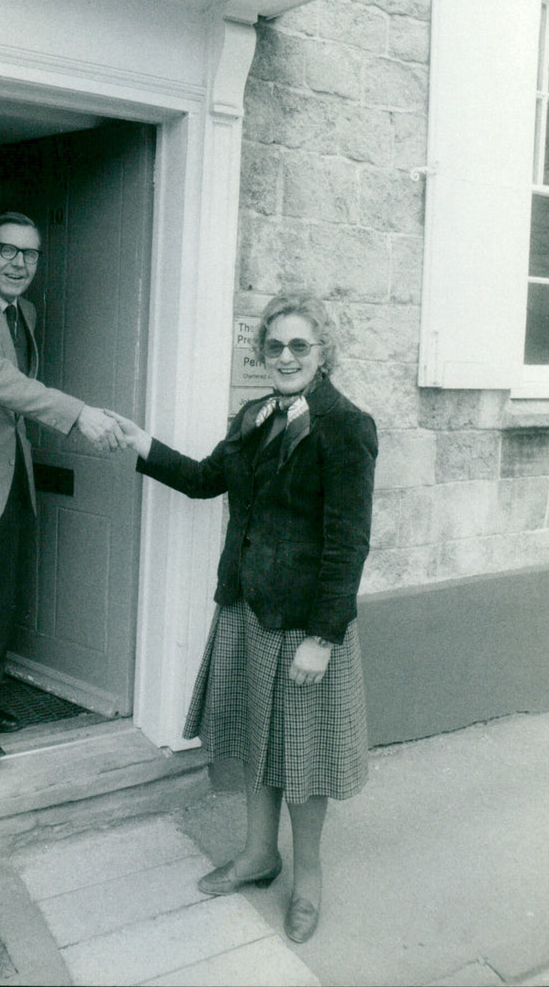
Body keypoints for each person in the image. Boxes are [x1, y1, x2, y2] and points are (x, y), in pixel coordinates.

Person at [109, 292, 377, 943]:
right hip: (250, 609)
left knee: (303, 757)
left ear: (322, 354)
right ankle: (260, 854)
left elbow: (348, 542)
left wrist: (323, 636)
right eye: (275, 345)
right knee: (259, 740)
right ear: (262, 353)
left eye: (299, 346)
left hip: (307, 622)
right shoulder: (254, 415)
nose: (284, 356)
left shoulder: (347, 427)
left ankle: (307, 875)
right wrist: (141, 443)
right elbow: (206, 479)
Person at [0, 211, 125, 763]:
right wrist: (76, 413)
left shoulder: (27, 311)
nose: (19, 264)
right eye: (7, 251)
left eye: (31, 254)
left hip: (10, 476)